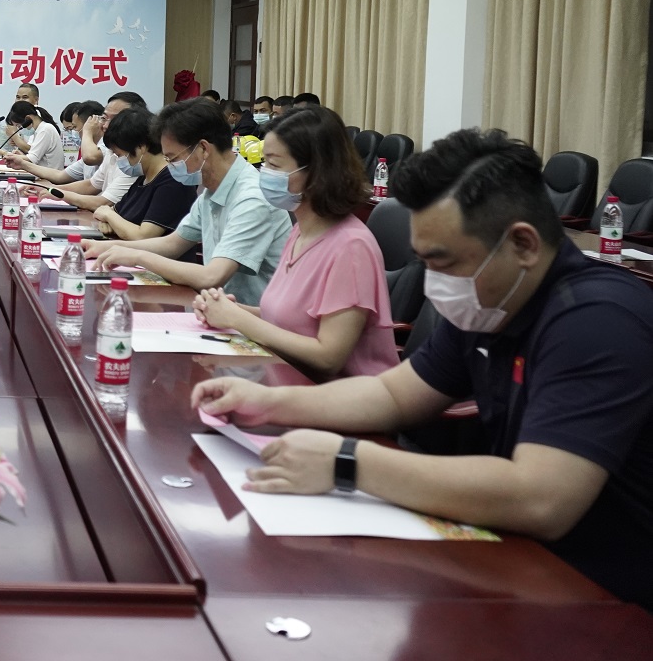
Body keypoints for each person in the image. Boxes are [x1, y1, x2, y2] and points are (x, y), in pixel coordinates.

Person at [190, 128, 653, 612]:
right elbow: (393, 395)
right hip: (515, 562)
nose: (434, 284)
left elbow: (542, 498)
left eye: (443, 262)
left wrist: (346, 462)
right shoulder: (492, 300)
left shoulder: (596, 321)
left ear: (523, 244)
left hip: (604, 597)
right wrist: (268, 402)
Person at [192, 107, 399, 381]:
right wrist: (226, 310)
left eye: (274, 165)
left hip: (339, 396)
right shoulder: (301, 230)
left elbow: (328, 357)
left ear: (317, 172)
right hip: (285, 378)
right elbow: (287, 319)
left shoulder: (351, 247)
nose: (264, 173)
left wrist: (237, 320)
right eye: (264, 163)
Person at [87, 99, 290, 304]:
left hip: (251, 317)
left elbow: (212, 276)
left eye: (172, 158)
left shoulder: (251, 198)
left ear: (203, 148)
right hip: (219, 308)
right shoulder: (213, 190)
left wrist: (137, 257)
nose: (169, 166)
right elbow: (172, 244)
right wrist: (105, 247)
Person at [8, 94, 141, 210]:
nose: (105, 125)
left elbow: (103, 201)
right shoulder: (112, 153)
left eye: (74, 128)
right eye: (104, 118)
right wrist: (48, 189)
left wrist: (87, 132)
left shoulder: (132, 159)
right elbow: (90, 184)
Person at [92, 108, 197, 241]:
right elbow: (110, 212)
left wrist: (109, 216)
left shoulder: (173, 180)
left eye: (119, 155)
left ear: (141, 147)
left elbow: (143, 235)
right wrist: (110, 218)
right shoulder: (143, 177)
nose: (119, 160)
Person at [2, 100, 64, 170]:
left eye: (19, 126)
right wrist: (21, 156)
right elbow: (35, 158)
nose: (20, 129)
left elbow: (33, 159)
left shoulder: (45, 130)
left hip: (51, 175)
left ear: (28, 119)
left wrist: (10, 156)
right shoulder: (39, 130)